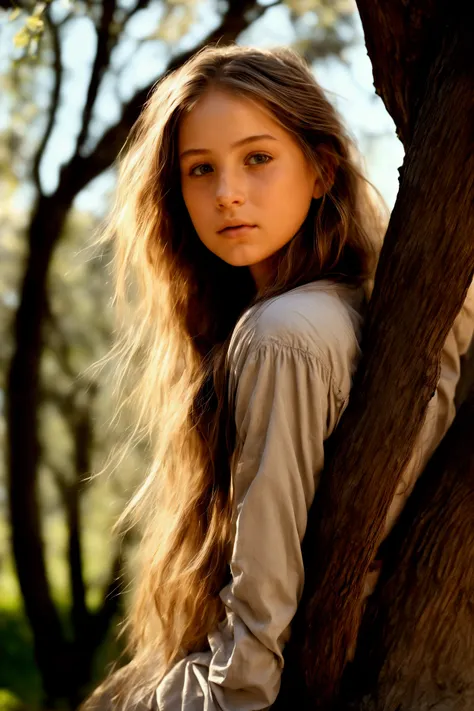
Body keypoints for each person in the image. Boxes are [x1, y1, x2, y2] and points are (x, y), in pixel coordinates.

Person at [84, 44, 474, 711]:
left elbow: (261, 612)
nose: (227, 192)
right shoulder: (369, 307)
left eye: (257, 158)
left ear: (321, 169)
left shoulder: (280, 337)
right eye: (199, 169)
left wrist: (227, 695)